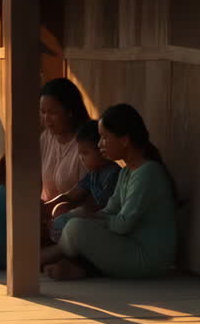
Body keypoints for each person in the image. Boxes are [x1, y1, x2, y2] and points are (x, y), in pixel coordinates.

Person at [42, 103, 178, 280]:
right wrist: (89, 217)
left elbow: (122, 224)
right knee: (75, 222)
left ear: (124, 140)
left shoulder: (148, 172)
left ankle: (57, 260)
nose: (100, 144)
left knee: (77, 228)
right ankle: (73, 265)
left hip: (149, 259)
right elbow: (110, 210)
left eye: (104, 138)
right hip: (129, 246)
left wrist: (92, 219)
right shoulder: (127, 171)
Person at [44, 119, 122, 243]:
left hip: (107, 225)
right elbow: (70, 196)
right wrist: (44, 207)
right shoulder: (93, 174)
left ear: (101, 150)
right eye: (79, 153)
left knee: (70, 221)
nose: (81, 158)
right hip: (94, 219)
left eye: (85, 153)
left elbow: (104, 210)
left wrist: (78, 213)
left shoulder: (113, 174)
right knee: (61, 207)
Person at [39, 78, 89, 202]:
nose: (46, 118)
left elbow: (87, 193)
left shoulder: (87, 142)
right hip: (46, 213)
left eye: (52, 113)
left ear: (70, 112)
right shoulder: (46, 138)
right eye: (43, 112)